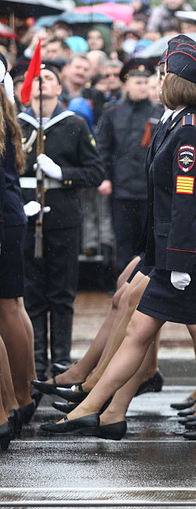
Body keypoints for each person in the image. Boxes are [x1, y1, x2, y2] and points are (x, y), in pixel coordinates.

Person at [40, 35, 196, 458]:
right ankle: (91, 408)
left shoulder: (191, 130)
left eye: (163, 75)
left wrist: (177, 261)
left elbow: (185, 200)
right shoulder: (178, 123)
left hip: (192, 254)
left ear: (177, 81)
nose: (157, 82)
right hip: (179, 252)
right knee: (140, 330)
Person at [17, 63, 104, 380]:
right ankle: (35, 359)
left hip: (63, 214)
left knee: (62, 293)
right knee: (31, 292)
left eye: (49, 78)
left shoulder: (75, 125)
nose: (42, 83)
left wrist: (62, 174)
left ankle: (61, 361)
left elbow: (95, 173)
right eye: (35, 79)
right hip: (24, 214)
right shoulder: (16, 125)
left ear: (59, 88)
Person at [95, 58, 163, 273]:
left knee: (149, 241)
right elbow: (103, 149)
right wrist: (104, 177)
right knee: (123, 240)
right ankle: (121, 281)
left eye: (146, 82)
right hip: (122, 188)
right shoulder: (112, 113)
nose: (143, 87)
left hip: (149, 189)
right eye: (137, 82)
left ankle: (146, 284)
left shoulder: (159, 113)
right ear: (126, 84)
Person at [0, 54, 36, 450]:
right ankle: (19, 398)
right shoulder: (6, 111)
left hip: (3, 217)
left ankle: (14, 401)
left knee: (7, 308)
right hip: (9, 215)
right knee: (12, 306)